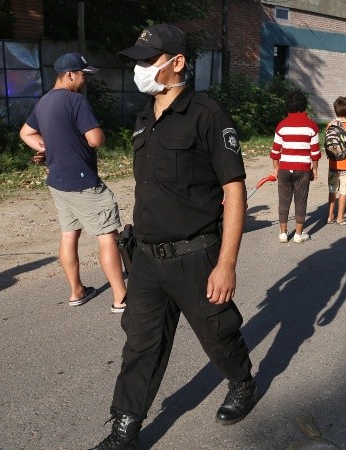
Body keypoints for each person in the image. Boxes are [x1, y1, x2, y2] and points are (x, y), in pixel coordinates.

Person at [91, 24, 257, 449]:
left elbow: (234, 190)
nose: (140, 69)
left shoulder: (208, 115)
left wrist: (226, 264)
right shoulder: (144, 118)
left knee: (218, 334)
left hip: (195, 256)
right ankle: (124, 429)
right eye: (138, 61)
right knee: (140, 345)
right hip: (146, 257)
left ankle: (242, 382)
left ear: (177, 62)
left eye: (149, 60)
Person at [19, 52, 127, 313]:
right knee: (107, 235)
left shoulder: (44, 102)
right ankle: (121, 298)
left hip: (58, 181)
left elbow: (26, 132)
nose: (85, 80)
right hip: (83, 182)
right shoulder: (76, 101)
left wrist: (47, 148)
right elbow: (95, 140)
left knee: (69, 234)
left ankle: (76, 291)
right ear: (69, 74)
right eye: (83, 74)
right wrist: (98, 133)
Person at [271, 90, 320, 243]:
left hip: (285, 168)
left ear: (288, 106)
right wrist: (314, 169)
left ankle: (283, 233)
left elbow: (275, 151)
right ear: (304, 105)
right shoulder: (311, 126)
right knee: (301, 200)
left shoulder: (281, 126)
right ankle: (298, 234)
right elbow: (315, 153)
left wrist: (276, 167)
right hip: (303, 169)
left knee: (283, 200)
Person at [326, 96, 346, 225]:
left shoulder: (330, 125)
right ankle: (340, 217)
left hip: (333, 163)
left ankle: (330, 216)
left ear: (335, 110)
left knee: (332, 189)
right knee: (344, 190)